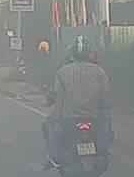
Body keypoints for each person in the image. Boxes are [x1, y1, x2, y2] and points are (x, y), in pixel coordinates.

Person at [43, 36, 113, 167]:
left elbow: (59, 99)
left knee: (49, 122)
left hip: (69, 118)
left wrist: (57, 120)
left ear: (71, 54)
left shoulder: (63, 72)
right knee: (107, 127)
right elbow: (106, 96)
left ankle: (55, 157)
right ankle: (103, 153)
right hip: (95, 117)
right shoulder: (100, 71)